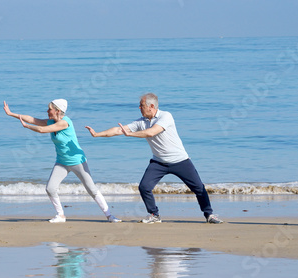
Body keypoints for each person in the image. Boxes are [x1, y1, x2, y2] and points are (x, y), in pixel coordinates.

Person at [85, 93, 223, 224]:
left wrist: (130, 135)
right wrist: (97, 134)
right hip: (159, 162)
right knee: (144, 187)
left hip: (180, 160)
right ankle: (154, 215)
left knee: (199, 187)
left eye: (142, 105)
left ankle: (209, 214)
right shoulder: (142, 122)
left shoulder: (166, 116)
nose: (139, 108)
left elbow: (151, 133)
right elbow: (117, 130)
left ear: (151, 106)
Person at [4, 99, 121, 223]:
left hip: (77, 162)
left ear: (57, 111)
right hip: (61, 162)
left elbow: (41, 130)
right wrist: (11, 114)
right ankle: (60, 215)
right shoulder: (50, 121)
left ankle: (109, 216)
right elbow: (32, 119)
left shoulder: (65, 123)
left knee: (91, 189)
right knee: (50, 188)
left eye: (50, 109)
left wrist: (27, 127)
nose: (47, 111)